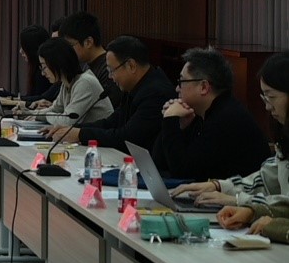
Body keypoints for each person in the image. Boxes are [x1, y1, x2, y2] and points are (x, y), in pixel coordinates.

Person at [178, 52, 289, 208]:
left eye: (271, 97)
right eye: (265, 98)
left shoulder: (227, 117)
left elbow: (182, 169)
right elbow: (265, 180)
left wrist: (238, 200)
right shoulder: (284, 139)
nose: (267, 106)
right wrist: (219, 186)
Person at [151, 47, 269, 180]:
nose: (177, 88)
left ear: (204, 87)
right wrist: (179, 126)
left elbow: (183, 173)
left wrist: (170, 121)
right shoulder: (202, 113)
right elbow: (159, 163)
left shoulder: (226, 119)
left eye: (181, 81)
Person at [44, 35, 173, 153]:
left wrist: (80, 134)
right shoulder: (135, 87)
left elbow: (127, 137)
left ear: (131, 66)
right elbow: (111, 122)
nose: (110, 77)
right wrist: (71, 129)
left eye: (112, 70)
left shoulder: (156, 93)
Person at [28, 38, 114, 125]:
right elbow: (56, 109)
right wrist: (27, 113)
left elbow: (68, 120)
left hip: (99, 132)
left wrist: (45, 116)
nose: (43, 73)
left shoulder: (84, 83)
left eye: (44, 67)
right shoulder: (67, 83)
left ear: (57, 63)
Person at [58, 11, 124, 107]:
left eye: (70, 45)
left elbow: (105, 107)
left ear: (88, 42)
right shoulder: (85, 65)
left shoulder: (108, 69)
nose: (66, 51)